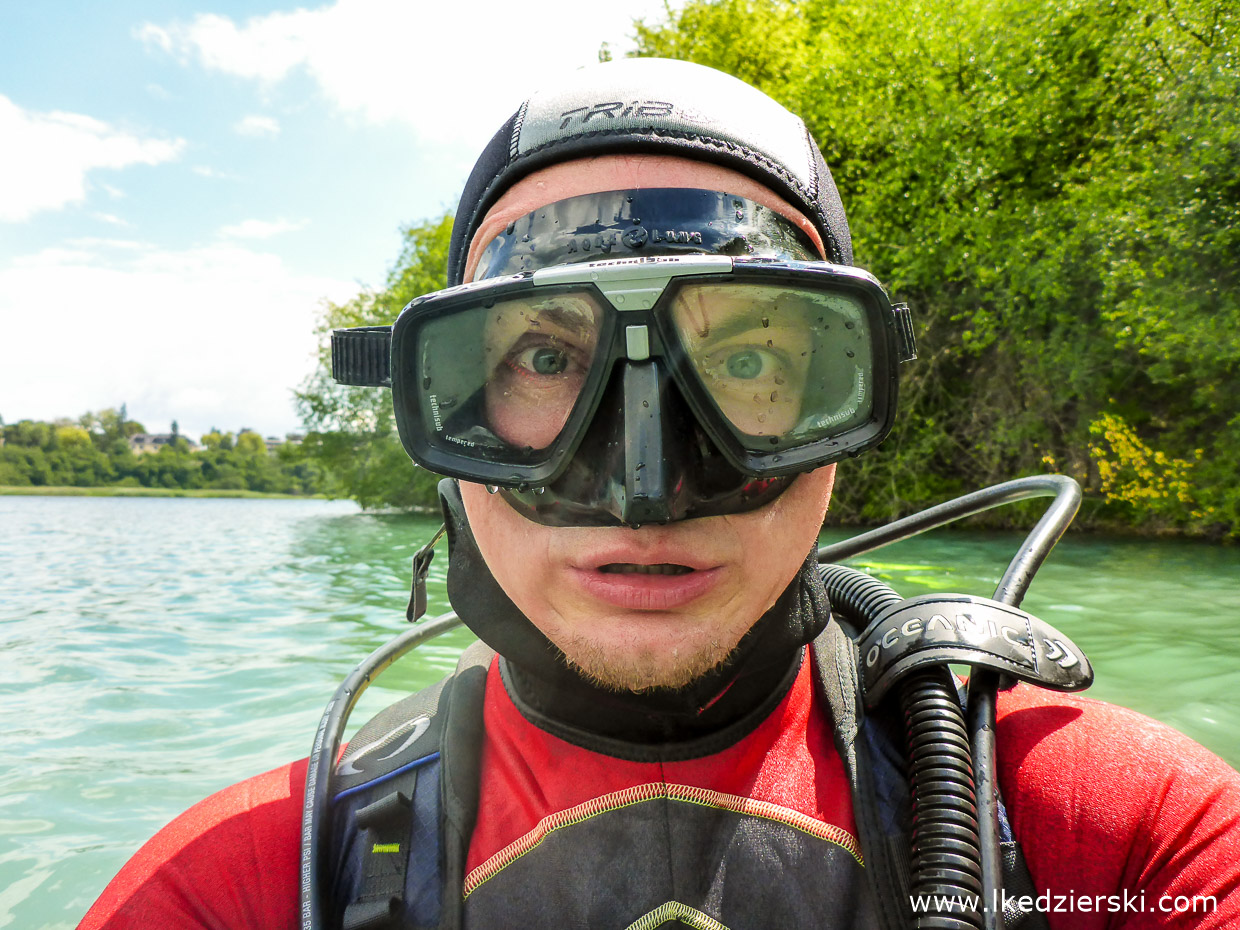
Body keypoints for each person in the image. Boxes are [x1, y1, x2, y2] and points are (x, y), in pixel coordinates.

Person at [80, 57, 1240, 930]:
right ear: (445, 414)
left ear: (844, 399)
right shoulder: (245, 886)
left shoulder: (1112, 833)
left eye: (744, 360)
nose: (647, 486)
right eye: (543, 360)